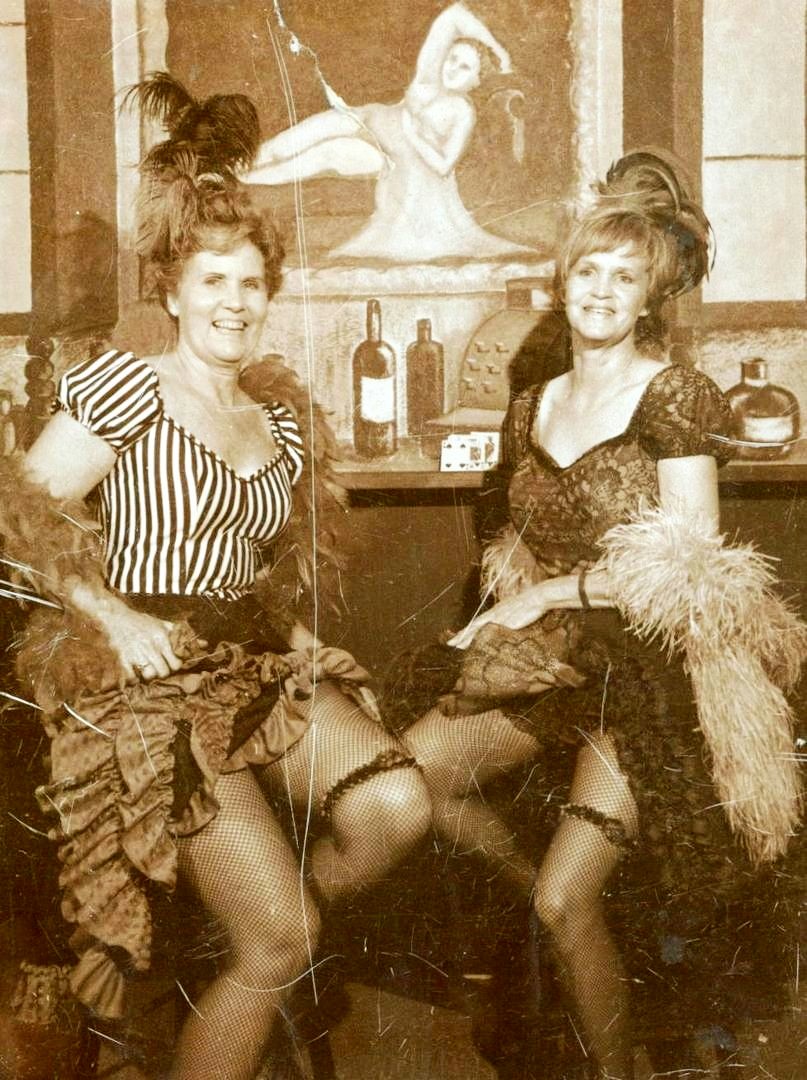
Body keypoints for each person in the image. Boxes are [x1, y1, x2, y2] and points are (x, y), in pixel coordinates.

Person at [1, 74, 430, 1080]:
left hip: (250, 664)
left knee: (396, 807)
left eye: (250, 284)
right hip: (147, 688)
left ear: (269, 294)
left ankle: (251, 949)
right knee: (280, 940)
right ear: (173, 293)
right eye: (213, 283)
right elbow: (16, 516)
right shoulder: (128, 387)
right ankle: (265, 950)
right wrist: (109, 613)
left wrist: (304, 646)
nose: (233, 303)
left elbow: (266, 573)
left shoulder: (279, 420)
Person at [401, 152, 806, 1077]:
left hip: (652, 675)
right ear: (562, 279)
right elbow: (515, 540)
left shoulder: (674, 394)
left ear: (648, 295)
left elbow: (692, 565)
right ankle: (536, 899)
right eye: (587, 269)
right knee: (406, 784)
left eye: (623, 277)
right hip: (554, 663)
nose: (599, 290)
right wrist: (512, 610)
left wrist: (548, 592)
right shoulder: (529, 405)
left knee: (564, 902)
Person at [243, 2, 532, 261]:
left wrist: (414, 136)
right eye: (452, 58)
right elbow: (454, 15)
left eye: (465, 67)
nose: (453, 68)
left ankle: (238, 179)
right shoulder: (427, 79)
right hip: (365, 119)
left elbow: (444, 166)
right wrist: (499, 50)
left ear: (477, 80)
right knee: (284, 145)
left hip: (386, 158)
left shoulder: (462, 110)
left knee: (323, 155)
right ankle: (228, 167)